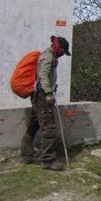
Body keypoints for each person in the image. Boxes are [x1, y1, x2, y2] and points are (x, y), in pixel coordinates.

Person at [20, 35, 71, 170]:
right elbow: (42, 75)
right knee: (49, 127)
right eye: (62, 52)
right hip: (42, 96)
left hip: (39, 95)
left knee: (34, 124)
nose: (62, 55)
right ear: (58, 48)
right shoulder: (47, 56)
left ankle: (27, 154)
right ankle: (47, 160)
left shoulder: (50, 56)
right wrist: (48, 93)